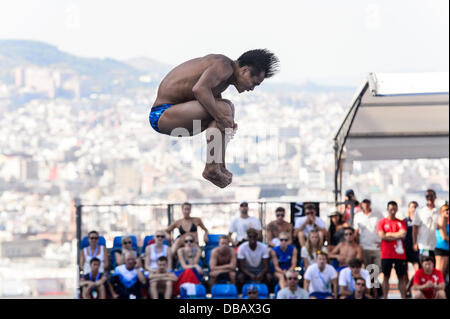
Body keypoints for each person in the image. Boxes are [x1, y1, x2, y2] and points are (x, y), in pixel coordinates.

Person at [149, 49, 279, 188]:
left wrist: (226, 122)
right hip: (161, 114)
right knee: (223, 110)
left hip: (177, 112)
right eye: (254, 83)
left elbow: (213, 104)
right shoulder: (223, 66)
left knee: (227, 107)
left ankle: (218, 166)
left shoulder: (224, 76)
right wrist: (222, 117)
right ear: (244, 70)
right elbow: (199, 89)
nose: (252, 89)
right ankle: (211, 169)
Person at [377, 201, 408, 299]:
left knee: (401, 277)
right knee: (385, 276)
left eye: (394, 209)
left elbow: (403, 234)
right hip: (386, 254)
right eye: (391, 209)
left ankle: (403, 297)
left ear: (397, 209)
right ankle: (384, 296)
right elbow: (382, 236)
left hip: (399, 255)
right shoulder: (381, 222)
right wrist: (396, 235)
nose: (393, 211)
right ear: (387, 209)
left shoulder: (401, 222)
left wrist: (389, 234)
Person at [412, 189, 440, 264]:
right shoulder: (420, 210)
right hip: (424, 245)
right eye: (427, 196)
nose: (429, 198)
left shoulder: (439, 210)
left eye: (431, 196)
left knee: (434, 268)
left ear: (435, 197)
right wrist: (415, 243)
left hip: (436, 246)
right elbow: (415, 227)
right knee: (424, 265)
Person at [354, 199, 382, 268]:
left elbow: (383, 228)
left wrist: (382, 242)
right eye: (364, 202)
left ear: (370, 203)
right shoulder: (357, 216)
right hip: (364, 247)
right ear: (361, 204)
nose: (366, 204)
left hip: (377, 248)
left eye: (367, 202)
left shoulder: (378, 214)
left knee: (376, 271)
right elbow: (356, 232)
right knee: (366, 271)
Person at [404, 201, 420, 298]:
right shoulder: (404, 221)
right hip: (405, 248)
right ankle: (408, 290)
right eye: (412, 207)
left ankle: (408, 286)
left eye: (415, 207)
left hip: (416, 249)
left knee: (418, 271)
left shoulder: (420, 221)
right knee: (404, 271)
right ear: (409, 208)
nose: (413, 209)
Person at [435, 204, 449, 281]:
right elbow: (444, 237)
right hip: (441, 248)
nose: (448, 211)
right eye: (446, 210)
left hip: (446, 248)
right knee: (440, 272)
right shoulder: (442, 220)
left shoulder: (447, 221)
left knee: (444, 274)